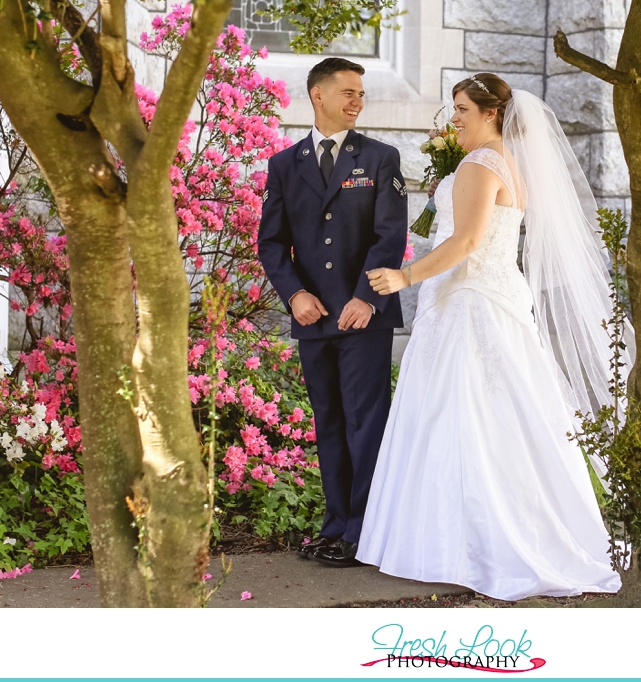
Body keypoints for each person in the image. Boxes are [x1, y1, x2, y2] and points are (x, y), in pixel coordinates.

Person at [359, 73, 622, 600]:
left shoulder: (479, 165)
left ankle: (463, 544)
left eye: (461, 108)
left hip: (472, 302)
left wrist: (404, 277)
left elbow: (469, 240)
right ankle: (499, 532)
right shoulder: (509, 163)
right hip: (494, 296)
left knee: (464, 414)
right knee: (505, 414)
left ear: (491, 113)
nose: (453, 117)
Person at [258, 57, 408, 568]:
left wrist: (368, 299)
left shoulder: (381, 159)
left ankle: (364, 532)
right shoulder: (284, 165)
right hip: (313, 317)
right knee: (329, 423)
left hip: (364, 316)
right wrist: (295, 295)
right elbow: (272, 243)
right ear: (317, 95)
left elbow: (390, 237)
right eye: (347, 92)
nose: (356, 101)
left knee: (366, 422)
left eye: (360, 93)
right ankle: (336, 524)